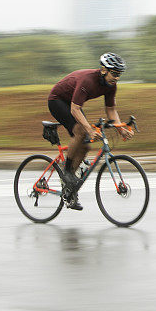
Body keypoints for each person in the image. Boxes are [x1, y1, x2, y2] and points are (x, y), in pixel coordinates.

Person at [47, 52, 134, 210]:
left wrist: (121, 128)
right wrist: (89, 129)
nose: (117, 77)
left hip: (73, 104)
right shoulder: (87, 80)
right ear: (103, 70)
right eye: (114, 73)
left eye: (119, 74)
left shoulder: (111, 85)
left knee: (86, 146)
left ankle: (69, 189)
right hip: (57, 101)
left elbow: (111, 109)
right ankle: (67, 172)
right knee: (82, 132)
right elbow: (74, 109)